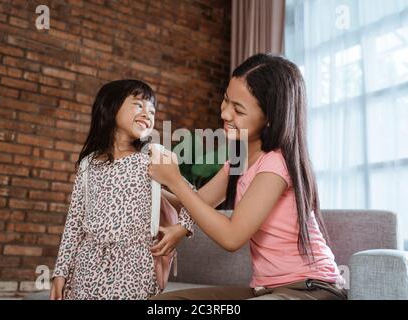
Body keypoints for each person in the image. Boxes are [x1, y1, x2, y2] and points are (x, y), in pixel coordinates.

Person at [149, 54, 347, 300]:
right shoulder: (238, 159)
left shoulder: (276, 162)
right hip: (264, 290)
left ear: (270, 118)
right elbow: (195, 202)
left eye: (238, 110)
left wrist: (176, 180)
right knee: (163, 303)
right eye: (225, 100)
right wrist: (149, 183)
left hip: (312, 289)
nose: (224, 113)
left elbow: (232, 237)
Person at [50, 79, 193, 300]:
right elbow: (74, 224)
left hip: (135, 267)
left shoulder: (153, 159)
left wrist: (181, 229)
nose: (148, 113)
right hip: (87, 266)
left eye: (152, 110)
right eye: (139, 104)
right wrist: (60, 273)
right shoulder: (88, 164)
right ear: (110, 107)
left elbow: (193, 199)